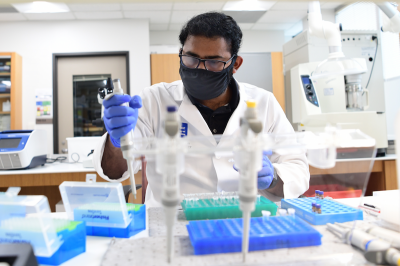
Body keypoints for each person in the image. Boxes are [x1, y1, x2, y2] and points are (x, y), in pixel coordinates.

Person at [93, 12, 310, 207]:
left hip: (245, 221)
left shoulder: (264, 103)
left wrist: (271, 178)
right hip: (172, 224)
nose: (199, 69)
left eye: (214, 62)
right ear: (181, 53)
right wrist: (117, 141)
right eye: (191, 58)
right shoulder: (154, 100)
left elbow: (297, 171)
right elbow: (116, 170)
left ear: (235, 64)